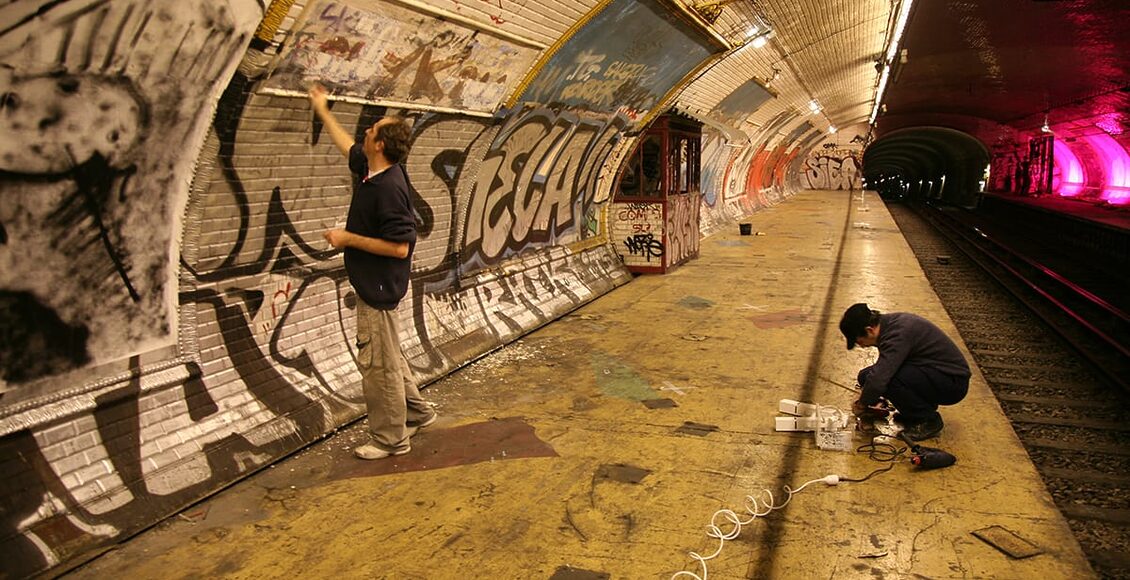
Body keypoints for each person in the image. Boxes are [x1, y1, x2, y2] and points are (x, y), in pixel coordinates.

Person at [308, 84, 437, 460]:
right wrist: (322, 109)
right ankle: (417, 411)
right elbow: (346, 143)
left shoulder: (388, 189)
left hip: (378, 286)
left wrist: (348, 238)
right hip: (377, 282)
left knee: (377, 364)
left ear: (380, 144)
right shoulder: (372, 169)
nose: (365, 131)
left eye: (371, 130)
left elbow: (400, 246)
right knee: (389, 354)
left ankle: (390, 439)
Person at [839, 303, 970, 440]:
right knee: (865, 376)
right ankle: (913, 413)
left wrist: (862, 404)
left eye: (859, 340)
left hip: (952, 382)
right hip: (931, 372)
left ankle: (927, 420)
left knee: (888, 380)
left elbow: (879, 380)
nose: (860, 345)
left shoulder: (896, 335)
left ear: (869, 330)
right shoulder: (888, 325)